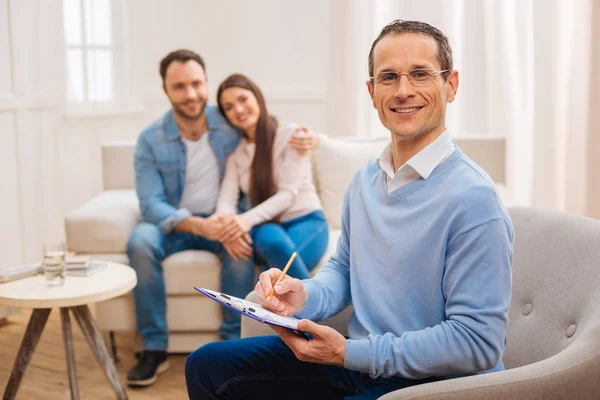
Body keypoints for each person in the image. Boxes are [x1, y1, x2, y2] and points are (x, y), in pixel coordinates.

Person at [185, 20, 514, 400]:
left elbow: (478, 343)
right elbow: (343, 269)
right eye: (388, 77)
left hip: (436, 383)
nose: (403, 90)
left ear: (450, 84)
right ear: (372, 92)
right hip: (360, 363)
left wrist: (349, 353)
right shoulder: (364, 180)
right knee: (206, 365)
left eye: (420, 74)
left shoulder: (474, 199)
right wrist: (303, 294)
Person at [126, 49, 316, 387]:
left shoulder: (226, 121)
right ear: (165, 90)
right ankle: (153, 347)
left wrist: (306, 136)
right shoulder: (150, 140)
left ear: (206, 83)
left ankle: (232, 341)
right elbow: (150, 203)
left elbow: (263, 128)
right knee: (140, 241)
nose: (191, 94)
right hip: (175, 224)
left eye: (197, 84)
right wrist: (201, 225)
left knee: (240, 246)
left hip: (224, 219)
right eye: (180, 86)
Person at [213, 74, 329, 280]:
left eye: (242, 99)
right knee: (271, 239)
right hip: (268, 227)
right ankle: (306, 307)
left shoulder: (291, 136)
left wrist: (244, 221)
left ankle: (307, 309)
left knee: (275, 275)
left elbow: (288, 195)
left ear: (256, 97)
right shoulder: (237, 155)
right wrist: (228, 225)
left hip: (307, 221)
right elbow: (226, 200)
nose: (238, 110)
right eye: (229, 107)